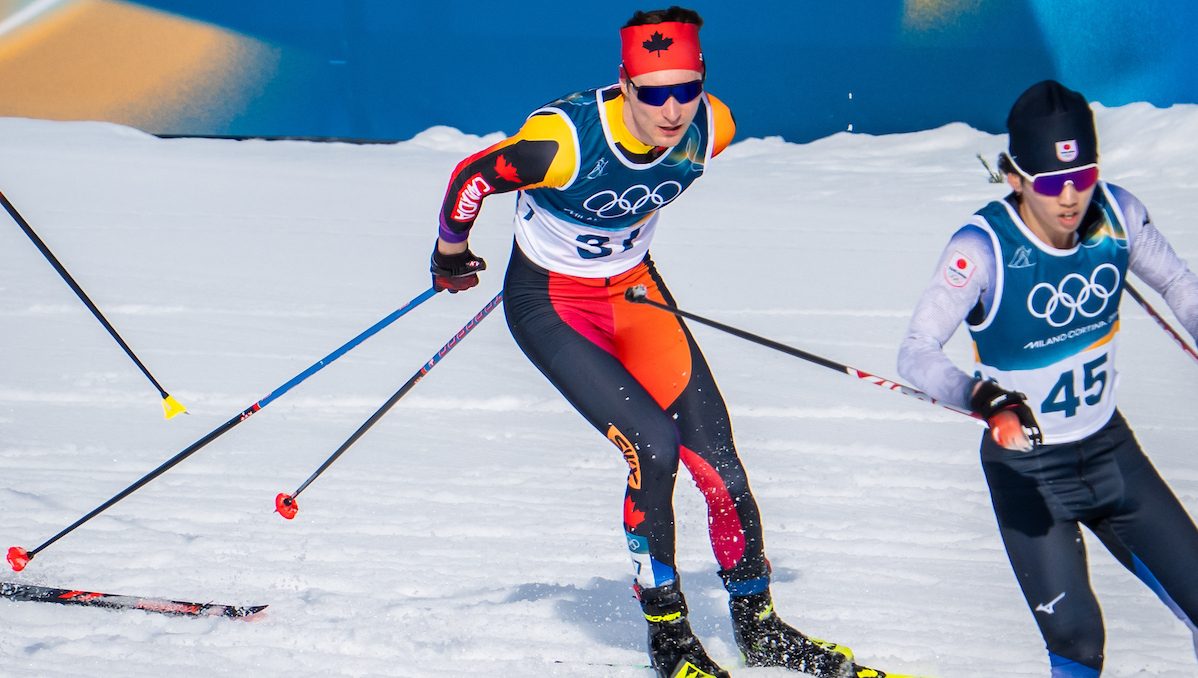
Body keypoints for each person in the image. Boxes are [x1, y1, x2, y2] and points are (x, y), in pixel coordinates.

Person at [428, 7, 868, 678]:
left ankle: (759, 628)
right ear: (624, 85)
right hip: (551, 303)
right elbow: (472, 178)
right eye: (652, 92)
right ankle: (670, 642)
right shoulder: (562, 143)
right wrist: (450, 254)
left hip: (634, 292)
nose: (671, 109)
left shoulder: (712, 125)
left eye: (684, 89)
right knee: (653, 449)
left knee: (721, 465)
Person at [898, 79, 1198, 677]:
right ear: (1015, 177)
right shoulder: (980, 248)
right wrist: (983, 396)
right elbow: (916, 352)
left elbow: (1178, 285)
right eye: (1053, 183)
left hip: (1111, 452)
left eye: (1083, 176)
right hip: (1029, 472)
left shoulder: (1118, 216)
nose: (1071, 198)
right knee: (1079, 646)